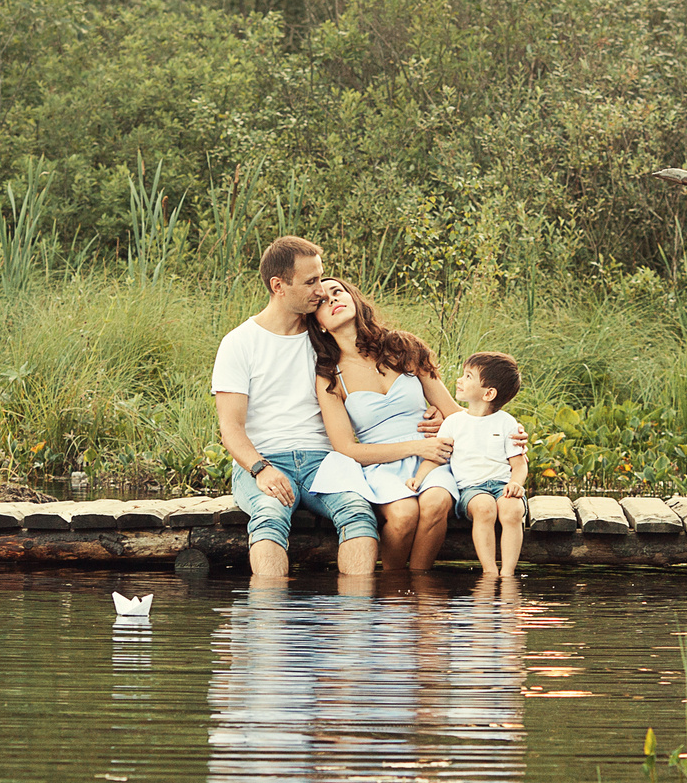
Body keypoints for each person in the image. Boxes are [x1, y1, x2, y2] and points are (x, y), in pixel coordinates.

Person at [211, 237, 381, 579]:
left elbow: (379, 378)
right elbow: (231, 428)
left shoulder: (325, 336)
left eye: (321, 277)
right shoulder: (239, 343)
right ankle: (271, 624)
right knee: (270, 515)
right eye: (311, 281)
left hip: (325, 461)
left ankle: (356, 622)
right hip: (265, 459)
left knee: (358, 512)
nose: (322, 290)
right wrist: (261, 469)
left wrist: (428, 410)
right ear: (279, 286)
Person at [306, 277, 465, 574]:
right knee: (404, 514)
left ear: (353, 298)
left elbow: (453, 411)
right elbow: (346, 448)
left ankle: (419, 592)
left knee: (436, 503)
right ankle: (392, 591)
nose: (333, 300)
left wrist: (503, 428)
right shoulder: (330, 375)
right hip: (382, 462)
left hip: (432, 458)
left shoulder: (402, 347)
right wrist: (417, 445)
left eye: (337, 292)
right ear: (320, 324)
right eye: (323, 301)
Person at [404, 352, 527, 576]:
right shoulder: (453, 423)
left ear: (488, 393)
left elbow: (518, 464)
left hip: (502, 484)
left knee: (512, 509)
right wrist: (418, 478)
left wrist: (516, 483)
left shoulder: (507, 423)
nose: (459, 380)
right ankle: (490, 571)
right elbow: (436, 456)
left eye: (468, 376)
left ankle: (508, 573)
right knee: (484, 508)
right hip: (472, 488)